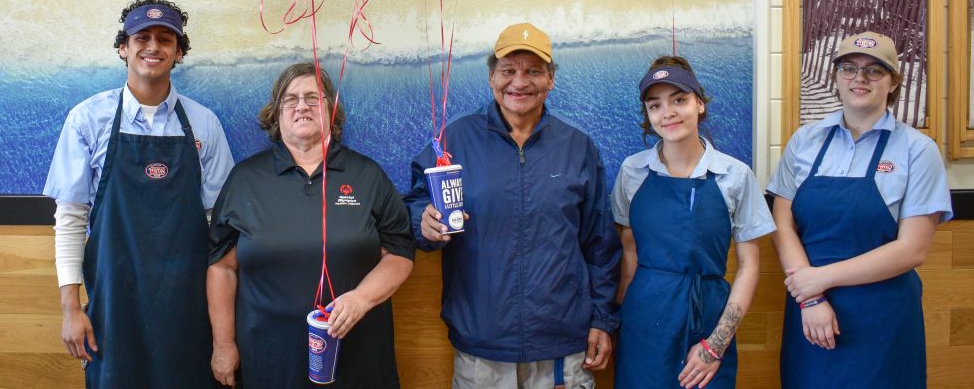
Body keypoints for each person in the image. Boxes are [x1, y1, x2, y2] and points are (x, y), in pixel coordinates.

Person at [404, 23, 620, 389]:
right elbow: (415, 203)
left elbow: (601, 245)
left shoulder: (578, 146)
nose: (519, 82)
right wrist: (421, 223)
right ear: (491, 77)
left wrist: (602, 319)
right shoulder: (452, 139)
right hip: (481, 344)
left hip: (561, 347)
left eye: (533, 71)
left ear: (551, 79)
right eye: (508, 70)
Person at [43, 0, 235, 388]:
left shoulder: (204, 124)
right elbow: (71, 219)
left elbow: (220, 227)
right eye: (141, 37)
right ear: (123, 48)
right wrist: (69, 308)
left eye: (165, 39)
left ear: (178, 52)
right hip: (114, 305)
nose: (153, 47)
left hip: (187, 305)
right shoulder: (87, 120)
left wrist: (224, 330)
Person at [207, 63, 414, 388]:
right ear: (275, 113)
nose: (301, 106)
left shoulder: (367, 175)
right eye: (290, 99)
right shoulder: (245, 179)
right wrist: (223, 345)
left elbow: (400, 253)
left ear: (331, 109)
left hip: (358, 358)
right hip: (270, 361)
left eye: (312, 98)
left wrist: (361, 298)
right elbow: (221, 268)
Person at [768, 31, 952, 388]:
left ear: (894, 80)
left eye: (874, 71)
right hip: (810, 313)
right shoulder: (805, 141)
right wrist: (811, 299)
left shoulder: (918, 150)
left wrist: (822, 279)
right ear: (836, 76)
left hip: (882, 319)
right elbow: (782, 222)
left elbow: (912, 249)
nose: (859, 79)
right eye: (849, 69)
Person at [611, 56, 774, 389]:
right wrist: (618, 326)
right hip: (644, 320)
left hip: (709, 320)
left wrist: (716, 344)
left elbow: (749, 268)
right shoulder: (632, 172)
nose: (667, 112)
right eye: (655, 105)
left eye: (679, 100)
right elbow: (628, 254)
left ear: (699, 104)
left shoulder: (736, 175)